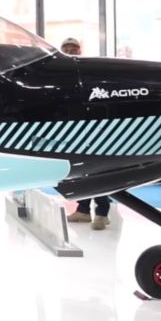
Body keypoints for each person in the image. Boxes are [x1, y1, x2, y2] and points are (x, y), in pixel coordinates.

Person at [59, 38, 112, 230]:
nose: (70, 52)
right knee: (80, 170)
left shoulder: (89, 72)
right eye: (67, 49)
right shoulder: (61, 76)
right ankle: (83, 210)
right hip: (73, 128)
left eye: (74, 49)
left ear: (80, 51)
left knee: (97, 169)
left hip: (94, 129)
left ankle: (102, 213)